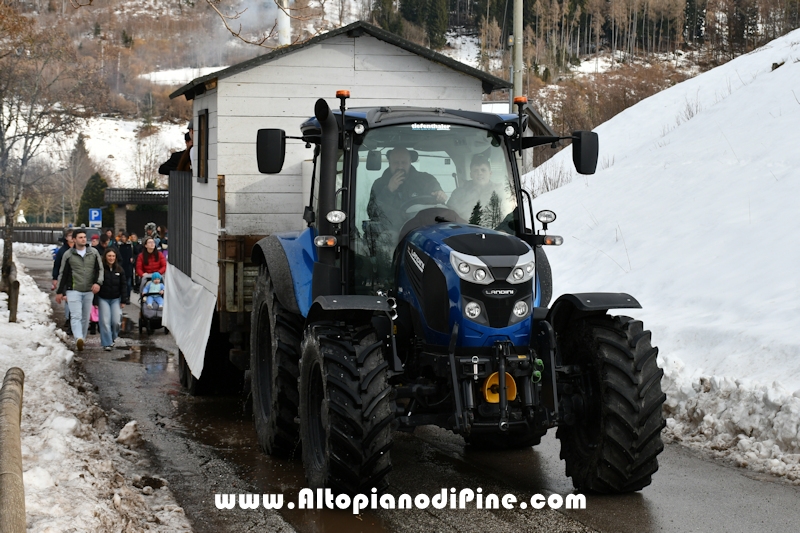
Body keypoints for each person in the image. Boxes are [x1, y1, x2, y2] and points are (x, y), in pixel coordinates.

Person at [367, 147, 447, 228]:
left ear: (410, 162)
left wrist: (439, 194)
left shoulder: (426, 180)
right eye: (396, 162)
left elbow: (436, 194)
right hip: (391, 231)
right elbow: (372, 213)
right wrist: (389, 190)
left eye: (403, 162)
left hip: (422, 228)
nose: (400, 166)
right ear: (389, 163)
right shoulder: (379, 184)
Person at [56, 229, 103, 351]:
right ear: (74, 239)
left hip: (89, 290)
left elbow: (100, 269)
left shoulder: (93, 253)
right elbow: (63, 273)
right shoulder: (68, 254)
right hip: (73, 289)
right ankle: (78, 338)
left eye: (84, 237)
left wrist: (98, 283)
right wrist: (60, 292)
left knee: (85, 317)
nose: (83, 239)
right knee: (76, 315)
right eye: (80, 237)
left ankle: (82, 338)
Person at [447, 154, 505, 222]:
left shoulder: (501, 192)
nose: (479, 173)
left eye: (483, 170)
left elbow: (508, 217)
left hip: (493, 230)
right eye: (475, 170)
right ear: (471, 175)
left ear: (490, 173)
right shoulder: (458, 194)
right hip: (465, 230)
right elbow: (449, 215)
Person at [97, 248, 129, 351]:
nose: (111, 258)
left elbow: (123, 286)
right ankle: (107, 343)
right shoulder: (100, 270)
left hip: (116, 298)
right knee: (105, 321)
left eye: (113, 256)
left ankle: (113, 336)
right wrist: (95, 301)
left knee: (116, 321)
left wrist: (124, 300)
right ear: (105, 257)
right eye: (109, 256)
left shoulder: (120, 270)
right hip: (103, 298)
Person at [51, 229, 74, 334]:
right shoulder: (62, 251)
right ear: (66, 238)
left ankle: (74, 319)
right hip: (65, 278)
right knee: (68, 298)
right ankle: (69, 319)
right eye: (69, 236)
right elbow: (57, 265)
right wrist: (55, 278)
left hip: (77, 278)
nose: (71, 238)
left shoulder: (79, 249)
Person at [117, 232, 134, 297]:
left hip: (128, 266)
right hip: (121, 265)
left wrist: (133, 259)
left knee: (128, 283)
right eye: (122, 237)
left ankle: (128, 296)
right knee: (121, 283)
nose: (123, 238)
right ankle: (121, 296)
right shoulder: (119, 245)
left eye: (125, 237)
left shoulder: (130, 245)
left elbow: (135, 253)